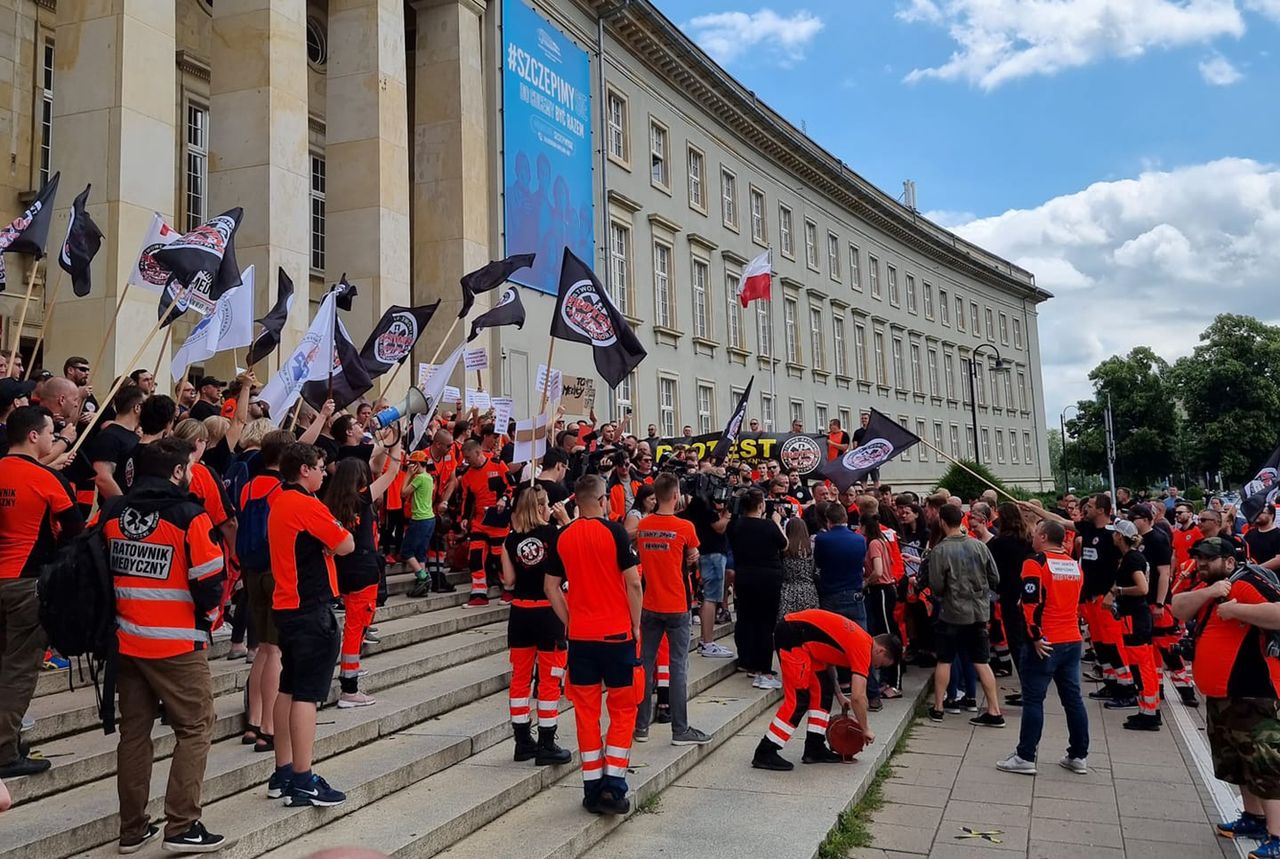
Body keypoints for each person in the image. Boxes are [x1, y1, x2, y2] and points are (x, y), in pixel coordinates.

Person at [104, 438, 227, 852]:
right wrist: (209, 620)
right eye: (189, 466)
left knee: (133, 736)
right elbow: (211, 580)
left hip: (125, 640)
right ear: (178, 471)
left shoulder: (113, 512)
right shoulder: (188, 514)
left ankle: (132, 830)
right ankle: (182, 825)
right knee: (195, 728)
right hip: (176, 644)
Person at [1171, 537, 1280, 855]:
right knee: (1236, 763)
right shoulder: (1213, 585)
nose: (1201, 563)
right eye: (1198, 558)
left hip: (1253, 692)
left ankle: (1277, 836)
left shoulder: (1246, 583)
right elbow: (1177, 608)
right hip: (1222, 695)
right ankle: (1253, 818)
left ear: (1230, 561)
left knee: (1265, 766)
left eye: (1208, 558)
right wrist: (1210, 592)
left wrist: (1237, 610)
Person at [543, 474, 642, 815]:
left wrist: (570, 620)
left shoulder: (564, 535)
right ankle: (614, 786)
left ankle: (591, 787)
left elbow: (550, 587)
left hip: (581, 638)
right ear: (603, 501)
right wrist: (636, 624)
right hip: (617, 636)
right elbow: (633, 584)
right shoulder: (614, 531)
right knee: (622, 710)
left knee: (586, 713)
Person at [266, 443, 355, 808]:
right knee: (307, 694)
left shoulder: (279, 501)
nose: (323, 472)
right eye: (319, 466)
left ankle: (284, 770)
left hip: (286, 605)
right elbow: (346, 543)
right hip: (310, 606)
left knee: (288, 688)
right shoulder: (305, 504)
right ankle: (303, 779)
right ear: (304, 470)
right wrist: (330, 547)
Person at [0, 406, 84, 779]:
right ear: (33, 436)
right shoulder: (46, 479)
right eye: (50, 433)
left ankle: (8, 737)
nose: (53, 440)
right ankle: (4, 750)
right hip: (25, 581)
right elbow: (75, 533)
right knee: (18, 670)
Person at [752, 608, 900, 771]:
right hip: (793, 635)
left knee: (823, 692)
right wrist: (865, 729)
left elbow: (828, 659)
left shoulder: (861, 641)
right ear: (881, 651)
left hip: (802, 639)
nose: (877, 667)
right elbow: (858, 697)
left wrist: (838, 693)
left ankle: (814, 749)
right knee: (799, 699)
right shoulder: (863, 648)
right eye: (882, 663)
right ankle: (765, 751)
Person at [995, 520, 1089, 776]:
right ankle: (1078, 754)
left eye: (1036, 533)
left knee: (1034, 699)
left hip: (1045, 640)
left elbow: (1030, 602)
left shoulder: (1035, 562)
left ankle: (1025, 756)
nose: (1032, 537)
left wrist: (1034, 636)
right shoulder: (1073, 565)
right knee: (1073, 699)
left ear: (1044, 536)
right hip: (1071, 638)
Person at [633, 474, 710, 746]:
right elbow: (693, 554)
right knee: (678, 668)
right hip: (677, 604)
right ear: (676, 494)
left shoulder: (643, 526)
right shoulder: (685, 527)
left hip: (649, 603)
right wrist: (693, 555)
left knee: (645, 664)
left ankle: (641, 727)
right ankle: (680, 730)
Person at [325, 443, 401, 709]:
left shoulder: (330, 503)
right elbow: (391, 474)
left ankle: (350, 670)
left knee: (354, 627)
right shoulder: (362, 498)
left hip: (343, 571)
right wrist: (396, 445)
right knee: (356, 628)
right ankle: (350, 688)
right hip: (363, 570)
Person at [500, 485, 572, 765]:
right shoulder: (553, 534)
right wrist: (566, 521)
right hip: (548, 611)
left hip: (519, 612)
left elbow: (508, 581)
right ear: (542, 506)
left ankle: (522, 741)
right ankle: (546, 741)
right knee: (549, 679)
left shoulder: (509, 539)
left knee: (520, 678)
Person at [238, 430, 292, 755]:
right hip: (275, 570)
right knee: (275, 650)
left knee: (260, 648)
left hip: (251, 568)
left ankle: (253, 721)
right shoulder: (280, 489)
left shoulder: (247, 487)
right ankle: (269, 727)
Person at [926, 504, 1005, 727]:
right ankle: (994, 710)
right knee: (982, 660)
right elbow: (995, 577)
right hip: (979, 611)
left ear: (942, 521)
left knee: (945, 659)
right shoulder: (979, 546)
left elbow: (937, 586)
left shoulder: (940, 550)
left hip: (952, 612)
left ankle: (939, 707)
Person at [1106, 519, 1161, 730]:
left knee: (1140, 666)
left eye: (1114, 533)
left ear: (1120, 536)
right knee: (1143, 665)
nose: (1112, 536)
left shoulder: (1131, 559)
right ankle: (1148, 710)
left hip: (1135, 618)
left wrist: (1119, 591)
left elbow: (1143, 588)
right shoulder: (1132, 557)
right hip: (1137, 617)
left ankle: (1148, 713)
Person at [729, 488, 787, 690]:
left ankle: (748, 661)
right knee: (765, 623)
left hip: (744, 576)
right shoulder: (769, 526)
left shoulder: (735, 525)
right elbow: (784, 544)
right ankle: (763, 669)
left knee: (746, 618)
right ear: (761, 505)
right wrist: (778, 522)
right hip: (767, 578)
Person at [458, 439, 513, 607]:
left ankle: (509, 589)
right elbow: (467, 500)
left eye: (468, 457)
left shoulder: (497, 464)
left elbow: (511, 486)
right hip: (479, 521)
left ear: (477, 452)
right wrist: (464, 518)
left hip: (498, 519)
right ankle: (479, 593)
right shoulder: (467, 475)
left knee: (499, 556)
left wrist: (504, 499)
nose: (467, 460)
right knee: (475, 556)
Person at [987, 502, 1033, 705]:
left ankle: (1027, 689)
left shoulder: (999, 543)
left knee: (1016, 642)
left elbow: (992, 568)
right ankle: (1029, 687)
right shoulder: (1027, 540)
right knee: (1026, 639)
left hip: (1008, 595)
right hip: (1026, 594)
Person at [688, 493, 734, 658]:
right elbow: (719, 527)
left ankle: (706, 641)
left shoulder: (696, 502)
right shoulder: (704, 502)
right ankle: (707, 642)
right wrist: (729, 513)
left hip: (706, 553)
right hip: (712, 554)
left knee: (710, 598)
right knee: (711, 598)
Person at [862, 507, 901, 698]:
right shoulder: (881, 541)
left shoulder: (874, 544)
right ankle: (887, 679)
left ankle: (895, 682)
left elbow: (878, 570)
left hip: (882, 589)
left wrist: (866, 581)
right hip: (882, 590)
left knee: (888, 634)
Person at [400, 451, 437, 597]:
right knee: (421, 552)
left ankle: (422, 576)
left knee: (406, 551)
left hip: (419, 520)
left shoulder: (419, 479)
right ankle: (422, 585)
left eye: (411, 463)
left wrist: (408, 475)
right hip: (430, 519)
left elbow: (403, 493)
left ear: (416, 465)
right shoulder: (429, 478)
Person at [779, 517, 820, 618]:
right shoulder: (811, 548)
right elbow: (817, 571)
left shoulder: (784, 550)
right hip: (808, 592)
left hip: (787, 592)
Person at [1246, 502, 1280, 570]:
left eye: (1262, 512)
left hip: (1271, 577)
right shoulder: (1250, 533)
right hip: (1250, 574)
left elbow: (1278, 560)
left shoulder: (1278, 534)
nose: (1258, 515)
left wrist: (1257, 569)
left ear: (1271, 515)